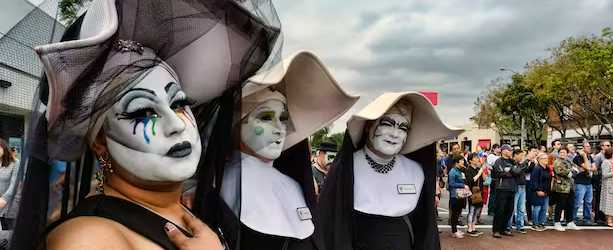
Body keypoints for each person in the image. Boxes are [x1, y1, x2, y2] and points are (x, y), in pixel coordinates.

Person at [11, 0, 284, 249]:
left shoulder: (188, 209)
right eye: (142, 112)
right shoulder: (86, 240)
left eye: (178, 103)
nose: (176, 125)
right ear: (100, 141)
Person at [216, 51, 358, 250]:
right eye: (265, 117)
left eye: (283, 119)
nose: (279, 128)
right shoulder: (219, 183)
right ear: (236, 124)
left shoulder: (293, 184)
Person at [319, 92, 462, 250]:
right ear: (368, 126)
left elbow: (425, 233)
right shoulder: (345, 169)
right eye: (387, 123)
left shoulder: (415, 172)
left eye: (403, 128)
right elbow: (331, 231)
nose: (395, 134)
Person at [491, 145, 521, 238]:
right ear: (504, 151)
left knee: (509, 210)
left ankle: (503, 229)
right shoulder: (498, 161)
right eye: (509, 150)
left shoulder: (512, 161)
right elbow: (500, 173)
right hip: (502, 188)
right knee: (500, 210)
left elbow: (518, 172)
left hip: (512, 188)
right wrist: (512, 172)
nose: (511, 152)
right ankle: (496, 230)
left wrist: (511, 171)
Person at [552, 147, 579, 231]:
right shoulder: (557, 161)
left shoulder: (568, 161)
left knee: (570, 204)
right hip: (561, 187)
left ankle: (570, 222)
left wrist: (572, 171)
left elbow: (576, 170)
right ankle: (557, 222)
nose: (562, 154)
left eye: (564, 152)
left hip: (570, 186)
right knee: (560, 205)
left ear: (567, 153)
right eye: (561, 152)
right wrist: (571, 171)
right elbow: (563, 172)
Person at [573, 142, 596, 225]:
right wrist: (584, 156)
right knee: (577, 201)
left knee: (588, 202)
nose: (589, 148)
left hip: (589, 182)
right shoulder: (578, 157)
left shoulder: (590, 157)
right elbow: (587, 166)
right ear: (583, 148)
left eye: (589, 146)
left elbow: (594, 168)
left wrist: (589, 168)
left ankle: (587, 218)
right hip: (580, 182)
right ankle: (572, 218)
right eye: (587, 146)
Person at [507, 149, 530, 234]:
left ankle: (520, 226)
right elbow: (517, 172)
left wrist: (531, 162)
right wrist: (526, 161)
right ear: (516, 155)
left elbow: (527, 170)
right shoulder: (512, 162)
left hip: (523, 186)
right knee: (512, 208)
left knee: (521, 208)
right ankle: (508, 226)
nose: (522, 157)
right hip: (515, 187)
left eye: (523, 156)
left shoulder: (521, 163)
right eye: (521, 155)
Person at [448, 154, 469, 239]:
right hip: (455, 195)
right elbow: (451, 183)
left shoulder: (460, 170)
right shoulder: (453, 171)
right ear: (457, 162)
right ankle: (454, 231)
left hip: (460, 195)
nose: (463, 162)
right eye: (461, 160)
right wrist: (462, 185)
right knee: (455, 214)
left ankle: (455, 230)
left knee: (457, 213)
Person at [464, 153, 485, 237]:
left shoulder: (478, 169)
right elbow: (471, 181)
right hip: (472, 191)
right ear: (470, 161)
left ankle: (473, 227)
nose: (477, 159)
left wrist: (482, 171)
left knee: (477, 210)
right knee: (472, 210)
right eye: (475, 158)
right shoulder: (468, 169)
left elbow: (484, 179)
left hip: (479, 191)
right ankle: (469, 228)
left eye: (477, 157)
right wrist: (480, 172)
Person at [0, 139, 19, 230]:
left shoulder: (15, 163)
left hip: (9, 204)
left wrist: (4, 199)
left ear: (4, 148)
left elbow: (14, 184)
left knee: (8, 233)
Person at [530, 153, 551, 231]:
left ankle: (541, 223)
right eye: (544, 158)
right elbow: (534, 180)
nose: (546, 160)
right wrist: (538, 190)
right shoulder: (537, 168)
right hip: (538, 191)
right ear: (539, 160)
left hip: (546, 191)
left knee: (544, 208)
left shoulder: (547, 168)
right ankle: (535, 224)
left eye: (546, 158)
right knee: (537, 208)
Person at [592, 140, 611, 225]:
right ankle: (598, 217)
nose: (608, 146)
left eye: (609, 145)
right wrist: (598, 178)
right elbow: (594, 169)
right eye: (607, 145)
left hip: (607, 181)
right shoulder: (598, 156)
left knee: (605, 199)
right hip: (599, 180)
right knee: (599, 199)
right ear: (602, 146)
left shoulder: (609, 156)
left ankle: (603, 217)